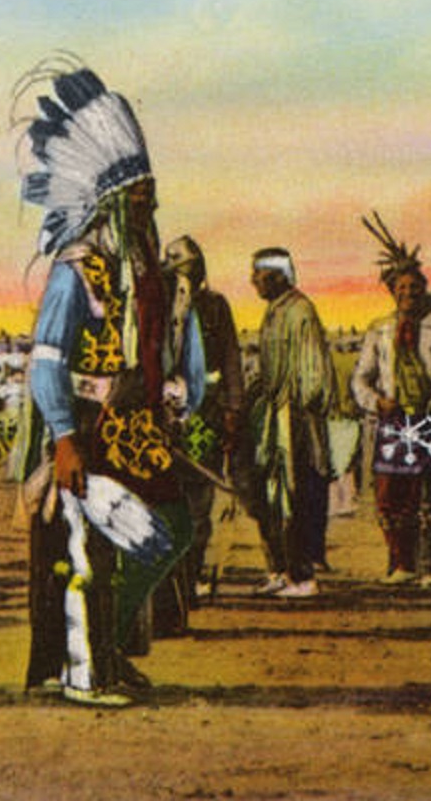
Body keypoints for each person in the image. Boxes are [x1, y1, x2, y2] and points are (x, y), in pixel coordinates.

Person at [12, 58, 203, 707]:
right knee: (88, 549)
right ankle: (85, 672)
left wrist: (174, 395)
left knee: (170, 531)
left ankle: (110, 647)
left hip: (141, 430)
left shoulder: (150, 271)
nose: (147, 203)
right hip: (90, 430)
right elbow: (45, 360)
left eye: (151, 192)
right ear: (111, 201)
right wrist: (63, 436)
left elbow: (171, 353)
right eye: (136, 195)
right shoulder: (78, 268)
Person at [351, 213, 431, 587]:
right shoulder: (380, 330)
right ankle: (399, 563)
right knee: (389, 497)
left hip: (428, 421)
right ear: (392, 292)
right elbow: (359, 379)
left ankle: (430, 566)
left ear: (423, 290)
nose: (408, 295)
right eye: (401, 289)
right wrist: (376, 401)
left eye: (414, 289)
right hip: (392, 423)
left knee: (426, 497)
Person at [244, 247, 337, 599]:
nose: (253, 280)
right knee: (272, 497)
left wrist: (296, 412)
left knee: (295, 495)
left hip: (294, 419)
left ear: (278, 276)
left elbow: (313, 375)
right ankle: (281, 570)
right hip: (275, 417)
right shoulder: (275, 310)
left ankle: (303, 575)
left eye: (259, 274)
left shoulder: (300, 310)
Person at [162, 235, 244, 607]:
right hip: (166, 418)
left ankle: (191, 578)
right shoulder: (159, 307)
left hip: (206, 417)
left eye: (193, 269)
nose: (188, 276)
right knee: (166, 501)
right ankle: (170, 584)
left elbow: (230, 359)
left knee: (198, 503)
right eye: (181, 269)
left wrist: (231, 409)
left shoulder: (215, 307)